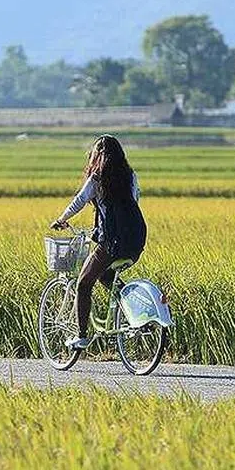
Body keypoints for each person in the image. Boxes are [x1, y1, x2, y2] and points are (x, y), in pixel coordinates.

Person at [50, 134, 147, 350]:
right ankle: (133, 310)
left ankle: (81, 336)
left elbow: (80, 201)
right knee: (106, 275)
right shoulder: (130, 176)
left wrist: (61, 219)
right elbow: (134, 202)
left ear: (98, 156)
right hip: (136, 239)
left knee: (83, 283)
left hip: (112, 241)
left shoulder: (97, 178)